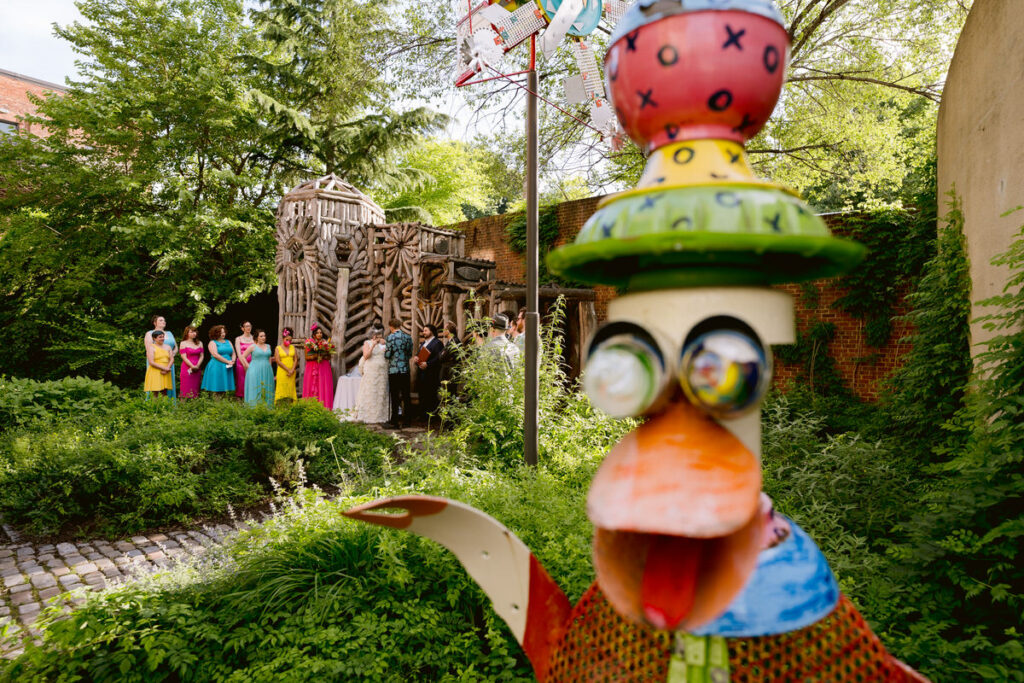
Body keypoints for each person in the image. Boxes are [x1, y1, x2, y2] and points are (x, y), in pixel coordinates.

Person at [354, 327, 389, 423]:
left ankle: (381, 414)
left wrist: (385, 345)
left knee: (381, 391)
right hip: (371, 371)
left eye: (380, 336)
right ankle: (369, 414)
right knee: (371, 390)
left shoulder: (383, 344)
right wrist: (373, 345)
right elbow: (366, 356)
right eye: (377, 336)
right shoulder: (367, 343)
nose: (379, 338)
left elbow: (387, 355)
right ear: (373, 336)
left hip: (382, 372)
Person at [384, 319, 413, 428]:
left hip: (394, 370)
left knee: (395, 396)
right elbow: (410, 354)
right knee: (406, 395)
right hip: (405, 369)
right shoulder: (408, 337)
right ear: (400, 325)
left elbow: (387, 355)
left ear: (391, 326)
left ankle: (394, 420)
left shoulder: (390, 338)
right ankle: (407, 421)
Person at [414, 323, 444, 418]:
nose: (424, 332)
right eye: (423, 330)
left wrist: (428, 364)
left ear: (431, 331)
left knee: (430, 394)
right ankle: (423, 414)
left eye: (426, 330)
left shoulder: (437, 343)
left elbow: (439, 358)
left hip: (431, 374)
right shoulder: (423, 343)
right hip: (421, 373)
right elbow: (419, 354)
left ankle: (431, 416)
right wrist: (416, 359)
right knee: (422, 394)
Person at [302, 323, 335, 409]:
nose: (319, 334)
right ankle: (310, 408)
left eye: (320, 333)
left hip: (323, 367)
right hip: (312, 367)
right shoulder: (309, 343)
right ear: (313, 334)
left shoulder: (325, 343)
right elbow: (307, 357)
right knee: (312, 386)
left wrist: (324, 353)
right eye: (317, 333)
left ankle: (325, 407)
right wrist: (316, 355)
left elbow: (329, 357)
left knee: (323, 386)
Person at [145, 315, 177, 399]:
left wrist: (170, 358)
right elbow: (148, 349)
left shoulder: (169, 333)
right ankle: (153, 406)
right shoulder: (149, 333)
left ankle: (169, 405)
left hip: (168, 362)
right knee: (156, 386)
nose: (164, 322)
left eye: (164, 320)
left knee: (166, 387)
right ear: (154, 323)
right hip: (156, 362)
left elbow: (175, 347)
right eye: (161, 320)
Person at [243, 329, 275, 407]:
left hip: (267, 369)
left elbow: (269, 358)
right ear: (257, 338)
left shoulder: (268, 346)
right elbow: (243, 356)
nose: (263, 337)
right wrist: (248, 366)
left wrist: (270, 368)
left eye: (264, 336)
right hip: (254, 369)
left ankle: (267, 407)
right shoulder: (252, 346)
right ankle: (253, 407)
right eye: (261, 336)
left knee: (267, 387)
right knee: (255, 387)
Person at [201, 325, 236, 396]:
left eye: (224, 332)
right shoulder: (212, 342)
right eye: (221, 332)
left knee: (224, 387)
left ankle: (223, 404)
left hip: (227, 366)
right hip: (217, 366)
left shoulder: (228, 341)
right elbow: (215, 355)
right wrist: (227, 361)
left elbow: (233, 353)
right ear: (215, 333)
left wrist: (233, 361)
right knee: (216, 386)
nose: (223, 334)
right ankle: (216, 405)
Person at [144, 330, 174, 396]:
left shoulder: (168, 347)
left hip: (166, 370)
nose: (162, 338)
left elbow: (171, 359)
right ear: (154, 338)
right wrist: (165, 368)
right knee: (156, 392)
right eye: (160, 337)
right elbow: (151, 362)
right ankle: (155, 406)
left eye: (163, 337)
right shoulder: (151, 347)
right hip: (155, 370)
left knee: (165, 392)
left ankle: (164, 406)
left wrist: (167, 368)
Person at [178, 326, 204, 399]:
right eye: (191, 332)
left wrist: (197, 365)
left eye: (195, 331)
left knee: (195, 387)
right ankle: (182, 406)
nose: (194, 333)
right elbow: (183, 357)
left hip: (197, 367)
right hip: (187, 367)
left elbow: (202, 356)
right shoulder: (183, 343)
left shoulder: (200, 343)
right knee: (185, 386)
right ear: (187, 333)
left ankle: (194, 406)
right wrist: (192, 366)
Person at [274, 328, 298, 403]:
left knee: (290, 389)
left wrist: (292, 370)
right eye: (287, 340)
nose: (289, 342)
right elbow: (278, 360)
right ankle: (280, 407)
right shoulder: (278, 348)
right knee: (282, 389)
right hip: (283, 371)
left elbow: (296, 359)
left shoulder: (292, 347)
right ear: (283, 338)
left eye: (290, 340)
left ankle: (290, 407)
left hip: (292, 372)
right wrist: (288, 370)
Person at [234, 321, 254, 400]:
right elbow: (238, 353)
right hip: (241, 363)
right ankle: (240, 398)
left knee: (251, 380)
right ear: (242, 328)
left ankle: (250, 397)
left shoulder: (254, 338)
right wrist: (245, 365)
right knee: (241, 381)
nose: (248, 328)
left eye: (249, 326)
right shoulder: (238, 339)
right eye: (246, 326)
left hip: (252, 362)